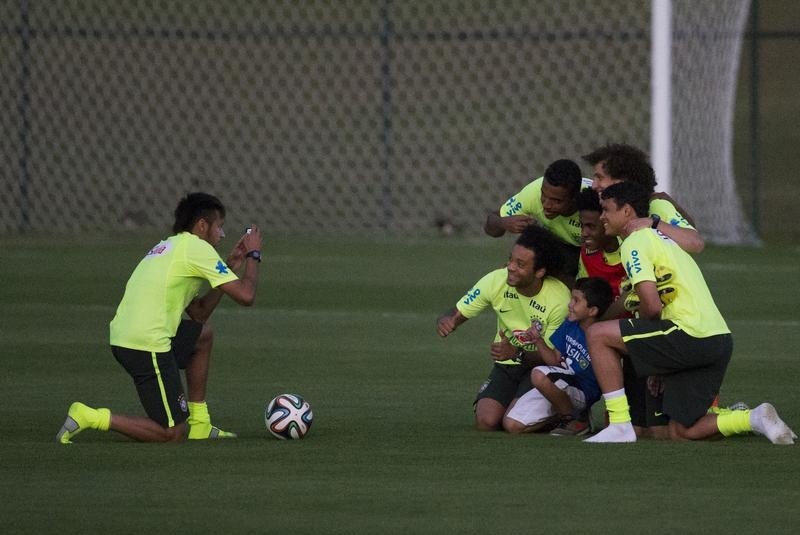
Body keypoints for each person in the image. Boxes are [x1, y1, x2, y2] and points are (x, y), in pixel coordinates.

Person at [584, 181, 796, 444]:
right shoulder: (665, 239)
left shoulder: (634, 241)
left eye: (606, 209)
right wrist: (658, 356)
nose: (602, 216)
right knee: (677, 432)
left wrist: (653, 355)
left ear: (627, 211)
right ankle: (753, 417)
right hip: (717, 341)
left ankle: (619, 425)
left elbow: (651, 307)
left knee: (596, 334)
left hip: (688, 334)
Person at [57, 192, 263, 443]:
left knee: (202, 336)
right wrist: (254, 255)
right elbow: (246, 295)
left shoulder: (171, 246)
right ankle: (91, 416)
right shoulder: (197, 249)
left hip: (131, 336)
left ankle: (200, 424)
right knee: (172, 433)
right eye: (219, 226)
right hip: (145, 343)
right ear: (202, 225)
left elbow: (198, 314)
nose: (221, 234)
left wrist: (230, 267)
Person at [436, 225, 570, 431]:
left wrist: (515, 352)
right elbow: (457, 311)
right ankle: (519, 405)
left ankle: (568, 413)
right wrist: (448, 320)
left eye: (520, 264)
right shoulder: (497, 280)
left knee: (511, 424)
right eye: (511, 259)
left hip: (541, 368)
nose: (510, 267)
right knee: (486, 422)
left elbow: (553, 356)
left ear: (540, 271)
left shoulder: (559, 299)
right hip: (508, 363)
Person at [577, 187, 670, 438]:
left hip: (650, 334)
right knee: (638, 429)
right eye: (581, 226)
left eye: (592, 225)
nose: (584, 233)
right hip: (622, 342)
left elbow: (643, 302)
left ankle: (725, 413)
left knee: (663, 433)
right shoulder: (587, 256)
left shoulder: (633, 245)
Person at [503, 277, 612, 436]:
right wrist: (538, 341)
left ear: (592, 311)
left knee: (539, 374)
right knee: (511, 424)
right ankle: (566, 415)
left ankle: (574, 418)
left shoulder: (602, 336)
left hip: (582, 392)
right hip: (558, 385)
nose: (569, 304)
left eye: (576, 301)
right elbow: (554, 359)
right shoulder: (569, 323)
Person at [582, 143, 705, 254]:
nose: (594, 185)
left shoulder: (655, 205)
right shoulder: (596, 199)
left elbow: (696, 243)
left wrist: (653, 222)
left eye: (600, 178)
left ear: (621, 181)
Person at [483, 159, 592, 282]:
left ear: (575, 198)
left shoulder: (593, 201)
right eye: (543, 195)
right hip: (562, 247)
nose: (546, 205)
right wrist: (503, 223)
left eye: (557, 201)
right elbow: (490, 227)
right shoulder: (533, 193)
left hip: (594, 249)